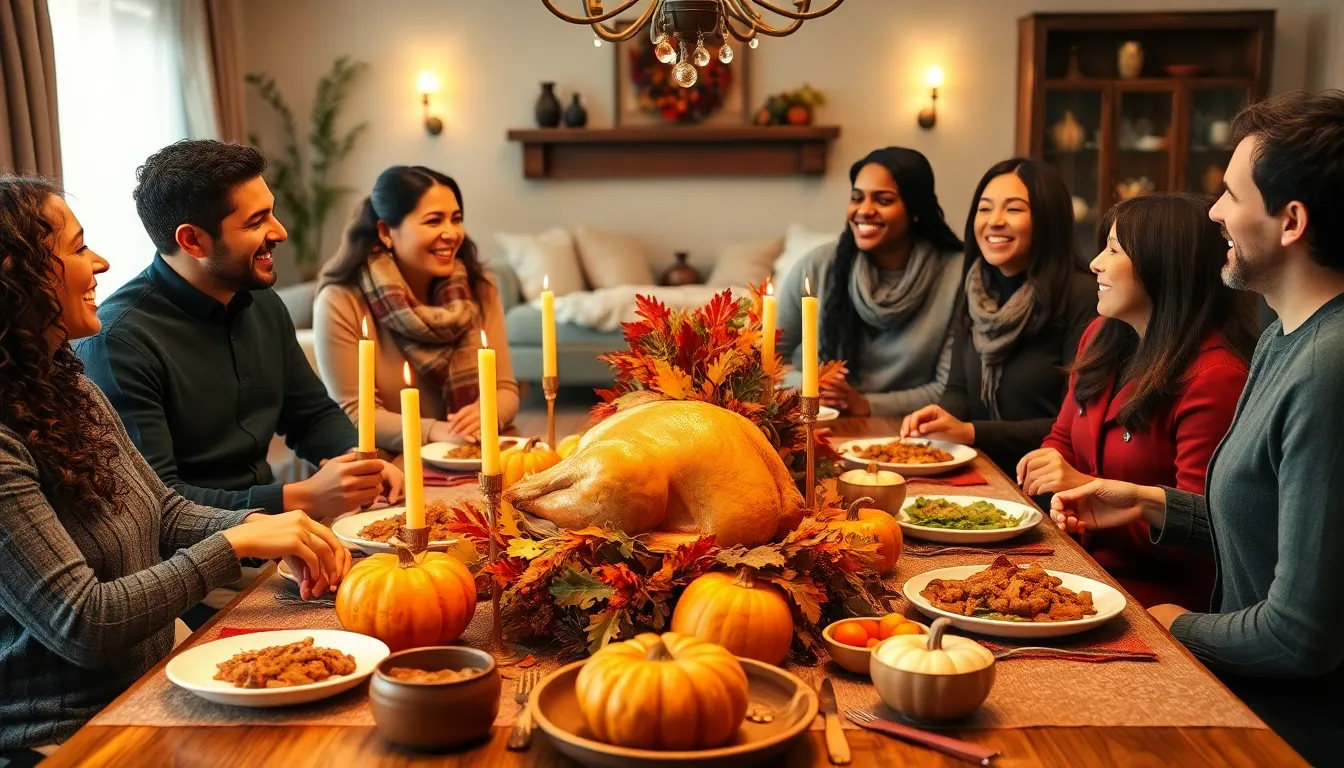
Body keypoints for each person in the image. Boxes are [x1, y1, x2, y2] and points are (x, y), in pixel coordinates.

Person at [0, 177, 351, 756]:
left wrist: (262, 527)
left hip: (151, 683)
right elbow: (81, 623)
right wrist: (235, 542)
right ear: (20, 277)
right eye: (79, 248)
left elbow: (161, 510)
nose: (102, 262)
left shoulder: (67, 384)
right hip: (67, 735)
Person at [1049, 90, 1344, 765]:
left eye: (1231, 194)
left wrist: (1171, 624)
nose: (1213, 212)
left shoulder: (1330, 368)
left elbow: (1298, 636)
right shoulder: (1280, 339)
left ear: (1291, 220)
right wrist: (1152, 503)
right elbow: (1266, 527)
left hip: (1287, 730)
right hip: (1241, 691)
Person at [74, 140, 401, 520]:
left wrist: (356, 459)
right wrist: (299, 498)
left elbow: (309, 413)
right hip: (195, 562)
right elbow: (158, 504)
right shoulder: (117, 343)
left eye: (272, 214)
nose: (280, 232)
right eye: (256, 221)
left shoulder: (261, 300)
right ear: (192, 240)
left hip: (279, 532)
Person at [1016, 193, 1256, 609]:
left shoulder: (1216, 377)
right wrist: (1051, 470)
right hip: (1077, 565)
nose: (1095, 263)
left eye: (1113, 249)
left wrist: (1082, 490)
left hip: (1153, 598)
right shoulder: (1101, 334)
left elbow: (1204, 534)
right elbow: (1062, 438)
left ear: (1163, 266)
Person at [899, 158, 1097, 473]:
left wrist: (971, 432)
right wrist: (939, 421)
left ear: (1048, 218)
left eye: (1014, 209)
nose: (995, 221)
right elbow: (959, 390)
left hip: (1044, 483)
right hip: (979, 468)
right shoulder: (977, 289)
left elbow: (1074, 425)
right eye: (985, 208)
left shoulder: (1082, 296)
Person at [313, 166, 519, 451]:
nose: (451, 233)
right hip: (389, 462)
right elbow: (355, 413)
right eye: (434, 221)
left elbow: (505, 388)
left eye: (456, 219)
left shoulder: (479, 288)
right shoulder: (340, 301)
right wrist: (436, 431)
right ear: (386, 232)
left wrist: (488, 413)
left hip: (472, 452)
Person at [777, 147, 966, 417]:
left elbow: (948, 388)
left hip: (910, 432)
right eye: (857, 197)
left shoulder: (956, 275)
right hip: (821, 424)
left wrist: (864, 404)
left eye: (884, 200)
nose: (864, 210)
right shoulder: (818, 265)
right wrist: (812, 385)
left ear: (915, 209)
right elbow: (768, 362)